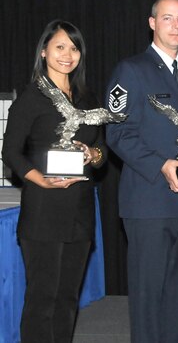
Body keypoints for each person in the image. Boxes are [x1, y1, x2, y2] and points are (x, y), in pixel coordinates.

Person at [105, 0, 178, 343]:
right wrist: (162, 164)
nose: (176, 26)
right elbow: (117, 133)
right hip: (149, 201)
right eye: (167, 18)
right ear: (152, 23)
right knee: (149, 295)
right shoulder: (131, 70)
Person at [2, 20, 106, 342]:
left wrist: (92, 155)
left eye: (74, 48)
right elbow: (11, 153)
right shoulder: (32, 97)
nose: (68, 54)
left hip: (80, 211)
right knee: (42, 299)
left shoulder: (87, 98)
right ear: (44, 51)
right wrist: (40, 180)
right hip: (44, 210)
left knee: (67, 299)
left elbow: (102, 149)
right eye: (60, 46)